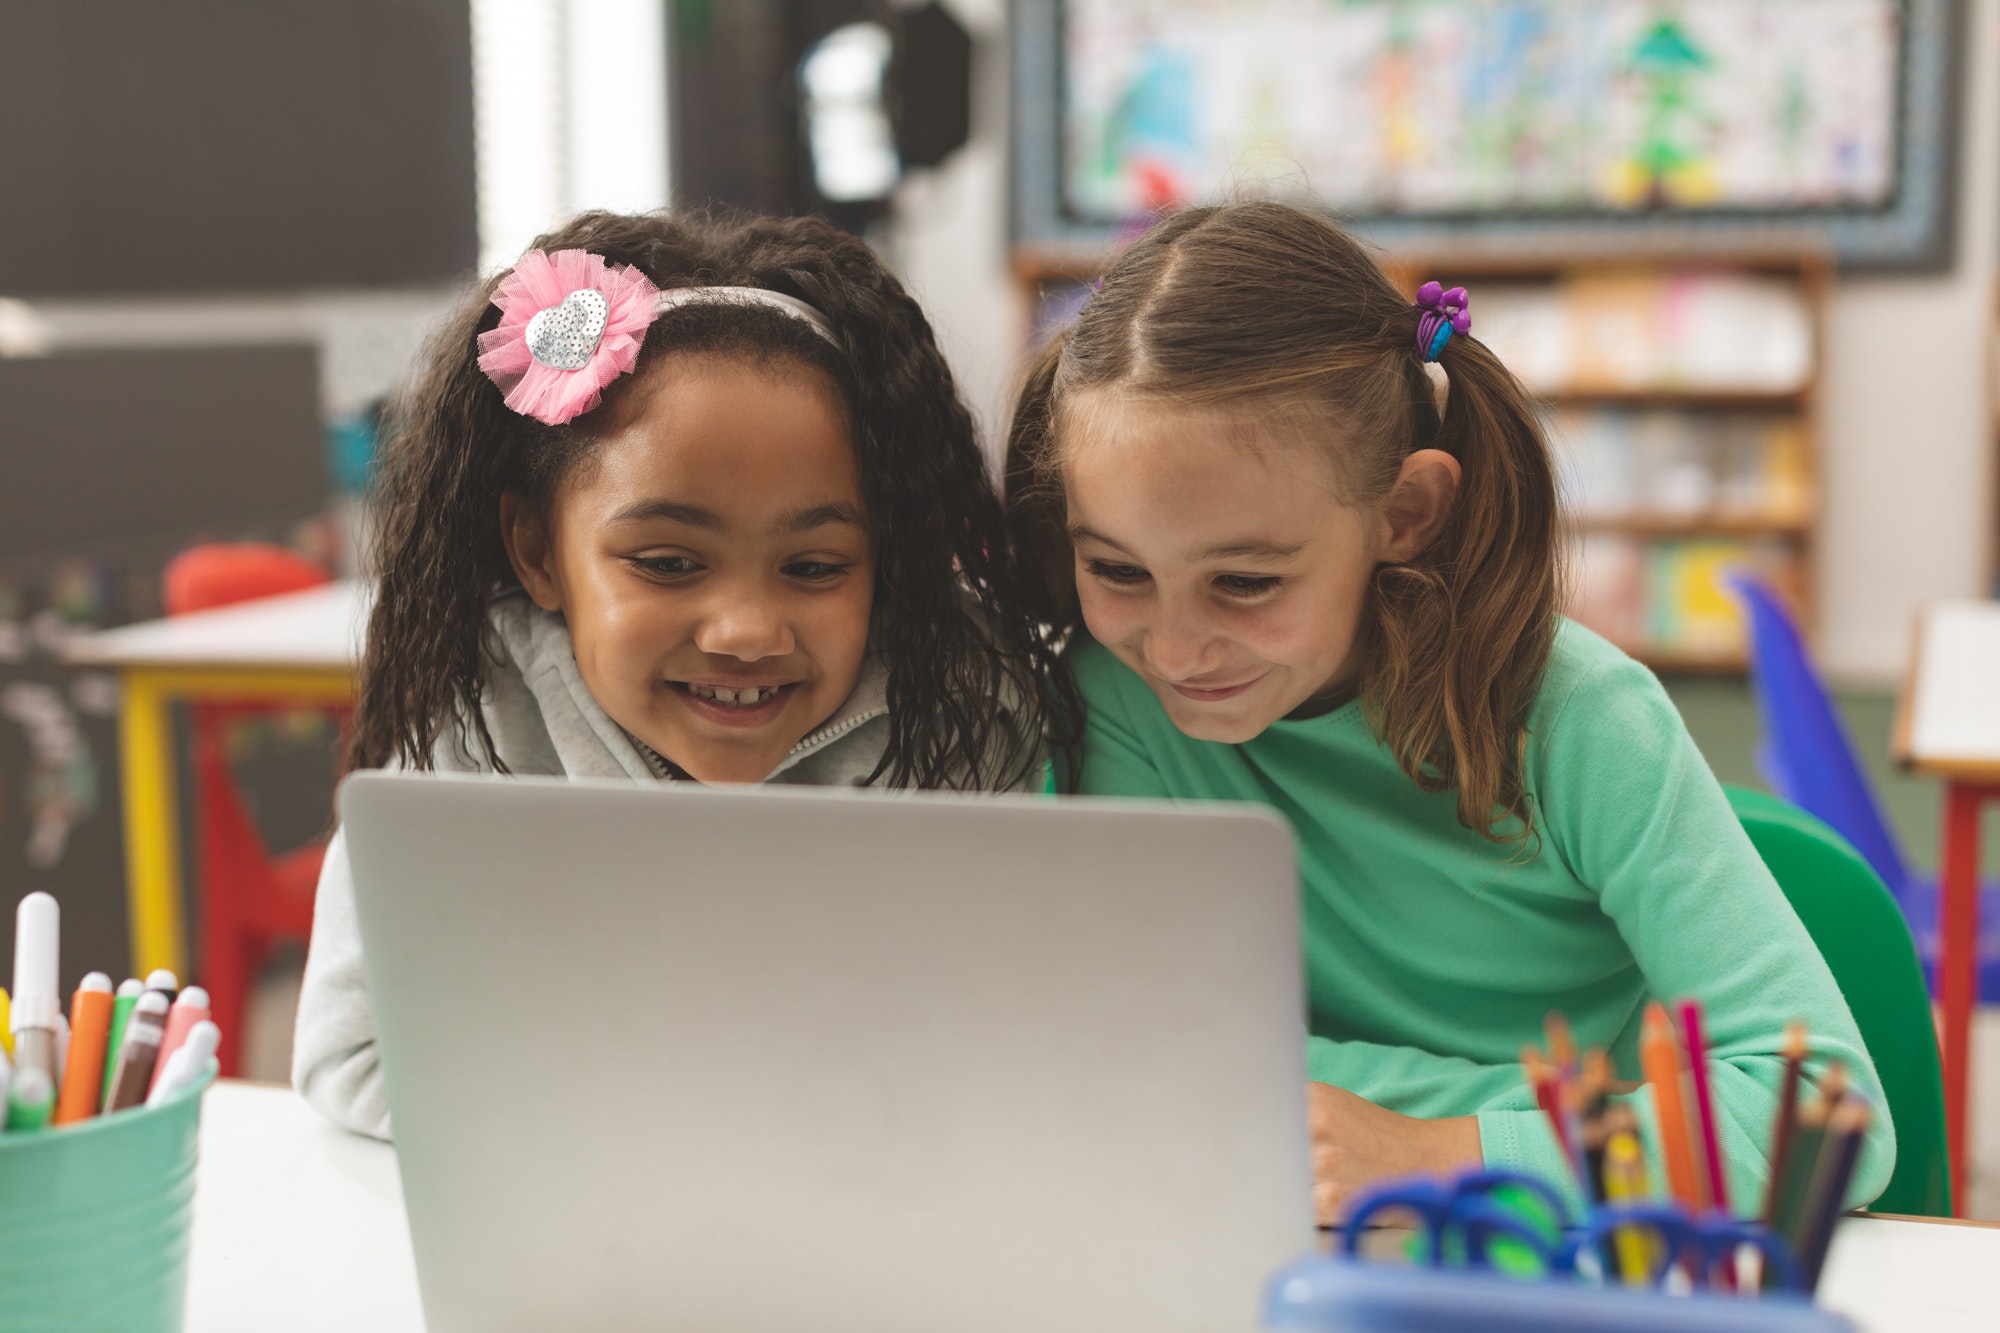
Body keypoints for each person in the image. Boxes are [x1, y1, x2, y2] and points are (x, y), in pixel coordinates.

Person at [1005, 201, 1893, 1223]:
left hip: (1580, 1262)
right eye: (1115, 568)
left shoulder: (1580, 719)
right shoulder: (1113, 697)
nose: (1171, 645)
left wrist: (1445, 1149)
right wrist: (1574, 1116)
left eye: (1244, 582)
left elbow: (1831, 1119)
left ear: (1404, 515)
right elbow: (1141, 1052)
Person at [296, 210, 1053, 1138]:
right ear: (536, 552)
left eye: (815, 568)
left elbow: (1015, 1052)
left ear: (886, 562)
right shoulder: (474, 718)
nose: (745, 631)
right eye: (666, 563)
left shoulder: (965, 714)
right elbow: (353, 1055)